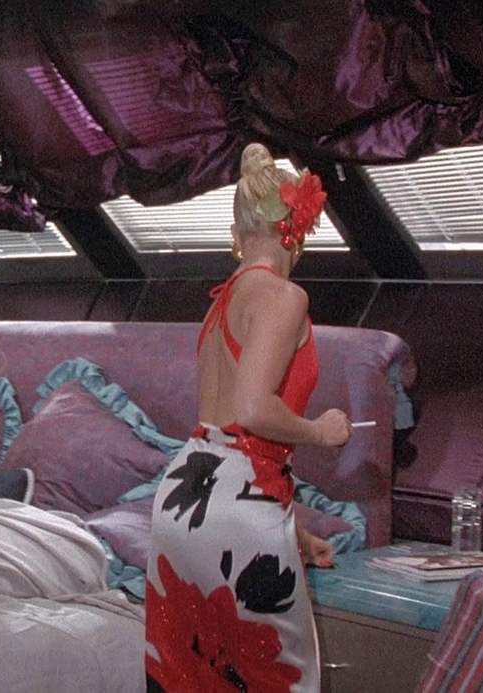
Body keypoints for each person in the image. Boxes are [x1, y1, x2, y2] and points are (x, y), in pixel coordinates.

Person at [143, 143, 352, 692]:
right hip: (239, 500)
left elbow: (224, 446)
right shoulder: (284, 297)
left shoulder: (221, 302)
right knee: (276, 676)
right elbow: (253, 411)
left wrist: (293, 531)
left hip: (185, 494)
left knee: (189, 675)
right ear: (295, 230)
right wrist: (320, 432)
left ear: (241, 232)